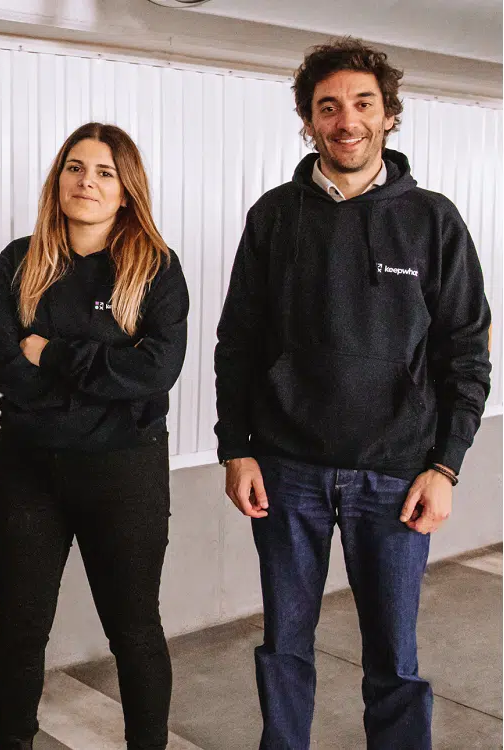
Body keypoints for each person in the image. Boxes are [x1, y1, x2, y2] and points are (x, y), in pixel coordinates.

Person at [214, 37, 492, 750]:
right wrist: (236, 450)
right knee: (284, 648)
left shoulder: (433, 220)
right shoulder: (274, 217)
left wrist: (446, 465)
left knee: (394, 661)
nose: (347, 121)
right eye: (328, 106)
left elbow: (466, 352)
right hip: (287, 471)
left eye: (363, 104)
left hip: (396, 476)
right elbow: (237, 343)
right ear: (308, 120)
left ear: (388, 114)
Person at [0, 122, 189, 750]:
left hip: (125, 474)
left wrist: (52, 354)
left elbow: (156, 370)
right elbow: (1, 364)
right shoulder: (21, 261)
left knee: (134, 630)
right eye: (75, 167)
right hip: (29, 472)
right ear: (58, 178)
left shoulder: (156, 268)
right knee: (20, 630)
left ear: (126, 190)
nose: (86, 182)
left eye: (104, 172)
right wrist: (100, 378)